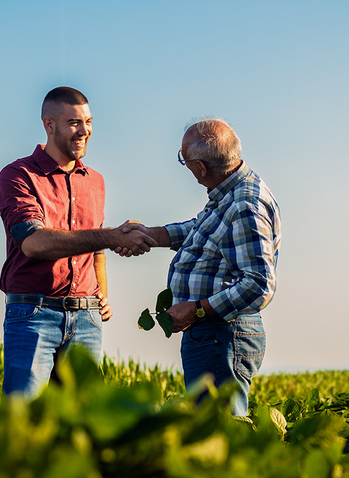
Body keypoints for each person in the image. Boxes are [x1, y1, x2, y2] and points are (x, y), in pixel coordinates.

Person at [0, 86, 156, 397]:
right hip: (33, 316)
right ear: (49, 125)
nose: (84, 131)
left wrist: (102, 296)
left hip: (86, 320)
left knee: (80, 424)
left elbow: (95, 249)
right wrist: (112, 236)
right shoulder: (18, 175)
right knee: (22, 420)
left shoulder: (95, 181)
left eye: (89, 122)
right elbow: (33, 243)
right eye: (74, 123)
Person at [118, 119, 281, 415]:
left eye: (184, 160)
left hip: (222, 334)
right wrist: (150, 234)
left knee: (216, 432)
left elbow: (259, 284)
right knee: (208, 427)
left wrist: (197, 309)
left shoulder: (245, 204)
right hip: (216, 334)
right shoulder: (228, 196)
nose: (186, 167)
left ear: (201, 168)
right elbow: (200, 231)